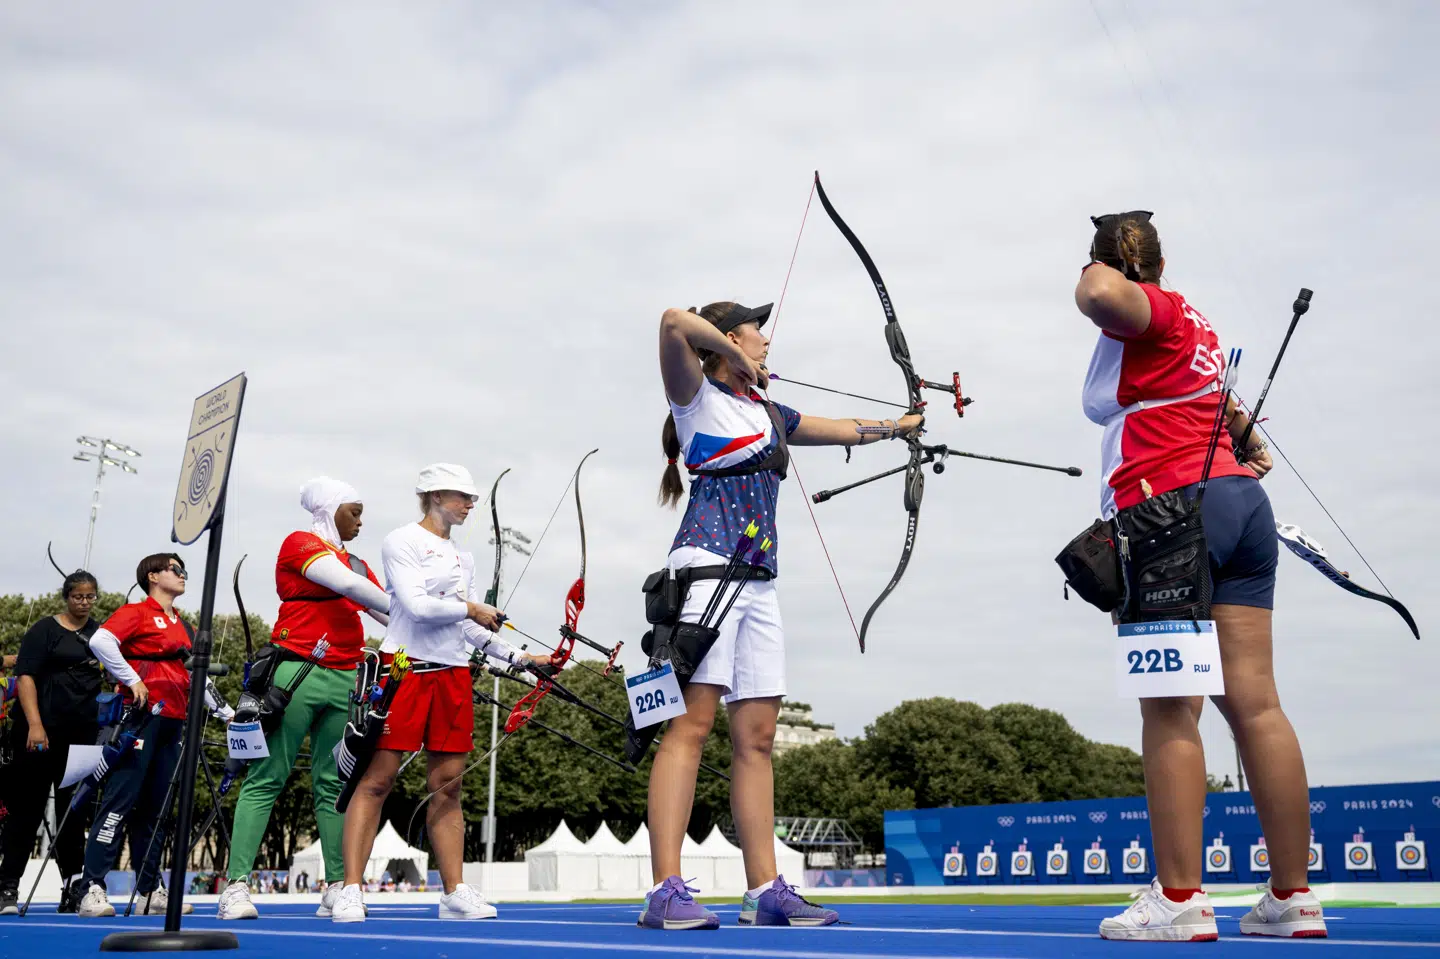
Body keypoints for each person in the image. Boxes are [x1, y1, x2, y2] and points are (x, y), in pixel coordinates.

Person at [1074, 212, 1325, 940]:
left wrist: (1103, 269)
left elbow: (1099, 294)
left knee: (1169, 705)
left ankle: (1180, 897)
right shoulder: (1194, 331)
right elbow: (1246, 437)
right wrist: (1242, 433)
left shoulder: (1149, 306)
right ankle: (1293, 897)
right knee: (1256, 704)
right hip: (1236, 504)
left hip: (1171, 513)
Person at [642, 302, 921, 930]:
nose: (765, 340)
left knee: (758, 739)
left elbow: (846, 428)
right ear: (726, 343)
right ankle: (664, 888)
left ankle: (763, 889)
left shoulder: (771, 413)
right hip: (706, 571)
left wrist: (902, 425)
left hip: (759, 582)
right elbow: (670, 321)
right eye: (752, 332)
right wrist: (734, 358)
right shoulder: (696, 397)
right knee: (689, 726)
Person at [331, 463, 548, 923]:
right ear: (433, 496)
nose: (469, 503)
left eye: (472, 497)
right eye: (461, 496)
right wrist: (471, 606)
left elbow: (471, 627)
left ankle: (454, 891)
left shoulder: (461, 557)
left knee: (448, 788)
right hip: (404, 671)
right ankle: (350, 889)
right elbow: (415, 606)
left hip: (451, 677)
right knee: (376, 782)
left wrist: (521, 660)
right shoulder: (402, 540)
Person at [217, 477, 390, 921]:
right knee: (267, 776)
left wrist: (455, 627)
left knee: (335, 784)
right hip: (296, 673)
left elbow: (387, 609)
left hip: (347, 677)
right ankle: (235, 886)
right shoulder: (301, 543)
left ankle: (337, 884)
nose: (360, 520)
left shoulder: (354, 559)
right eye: (354, 510)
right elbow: (358, 591)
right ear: (330, 509)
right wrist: (418, 607)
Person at [76, 553, 198, 918]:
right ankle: (91, 887)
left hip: (173, 722)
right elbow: (101, 642)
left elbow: (193, 672)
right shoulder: (137, 611)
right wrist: (132, 679)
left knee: (155, 811)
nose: (183, 575)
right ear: (153, 575)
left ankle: (148, 890)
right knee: (119, 802)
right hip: (141, 719)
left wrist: (225, 711)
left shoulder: (184, 624)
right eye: (176, 569)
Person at [0, 570, 104, 915]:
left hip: (82, 737)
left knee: (73, 814)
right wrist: (35, 725)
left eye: (90, 597)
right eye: (78, 597)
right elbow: (25, 677)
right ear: (67, 596)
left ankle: (73, 887)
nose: (84, 603)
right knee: (25, 810)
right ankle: (8, 887)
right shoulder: (44, 630)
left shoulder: (99, 634)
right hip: (39, 735)